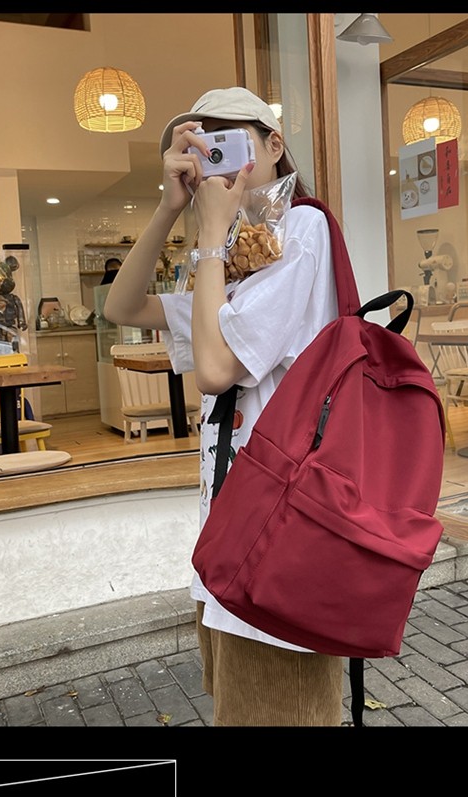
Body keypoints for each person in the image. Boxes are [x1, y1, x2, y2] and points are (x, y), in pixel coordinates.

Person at [104, 87, 343, 726]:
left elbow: (214, 371)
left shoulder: (303, 229)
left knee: (280, 711)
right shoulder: (235, 258)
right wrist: (169, 208)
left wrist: (210, 234)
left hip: (280, 528)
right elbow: (122, 308)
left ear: (274, 144)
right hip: (229, 528)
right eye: (205, 146)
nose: (217, 160)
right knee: (237, 706)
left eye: (232, 141)